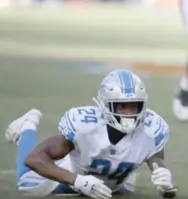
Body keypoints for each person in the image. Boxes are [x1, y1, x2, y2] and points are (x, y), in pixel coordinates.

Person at [5, 69, 177, 199]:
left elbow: (156, 158)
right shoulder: (85, 126)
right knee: (26, 184)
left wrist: (165, 180)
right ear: (105, 105)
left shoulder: (152, 128)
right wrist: (77, 181)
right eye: (122, 106)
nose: (129, 112)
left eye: (135, 105)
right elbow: (33, 158)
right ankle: (26, 127)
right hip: (72, 175)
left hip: (115, 183)